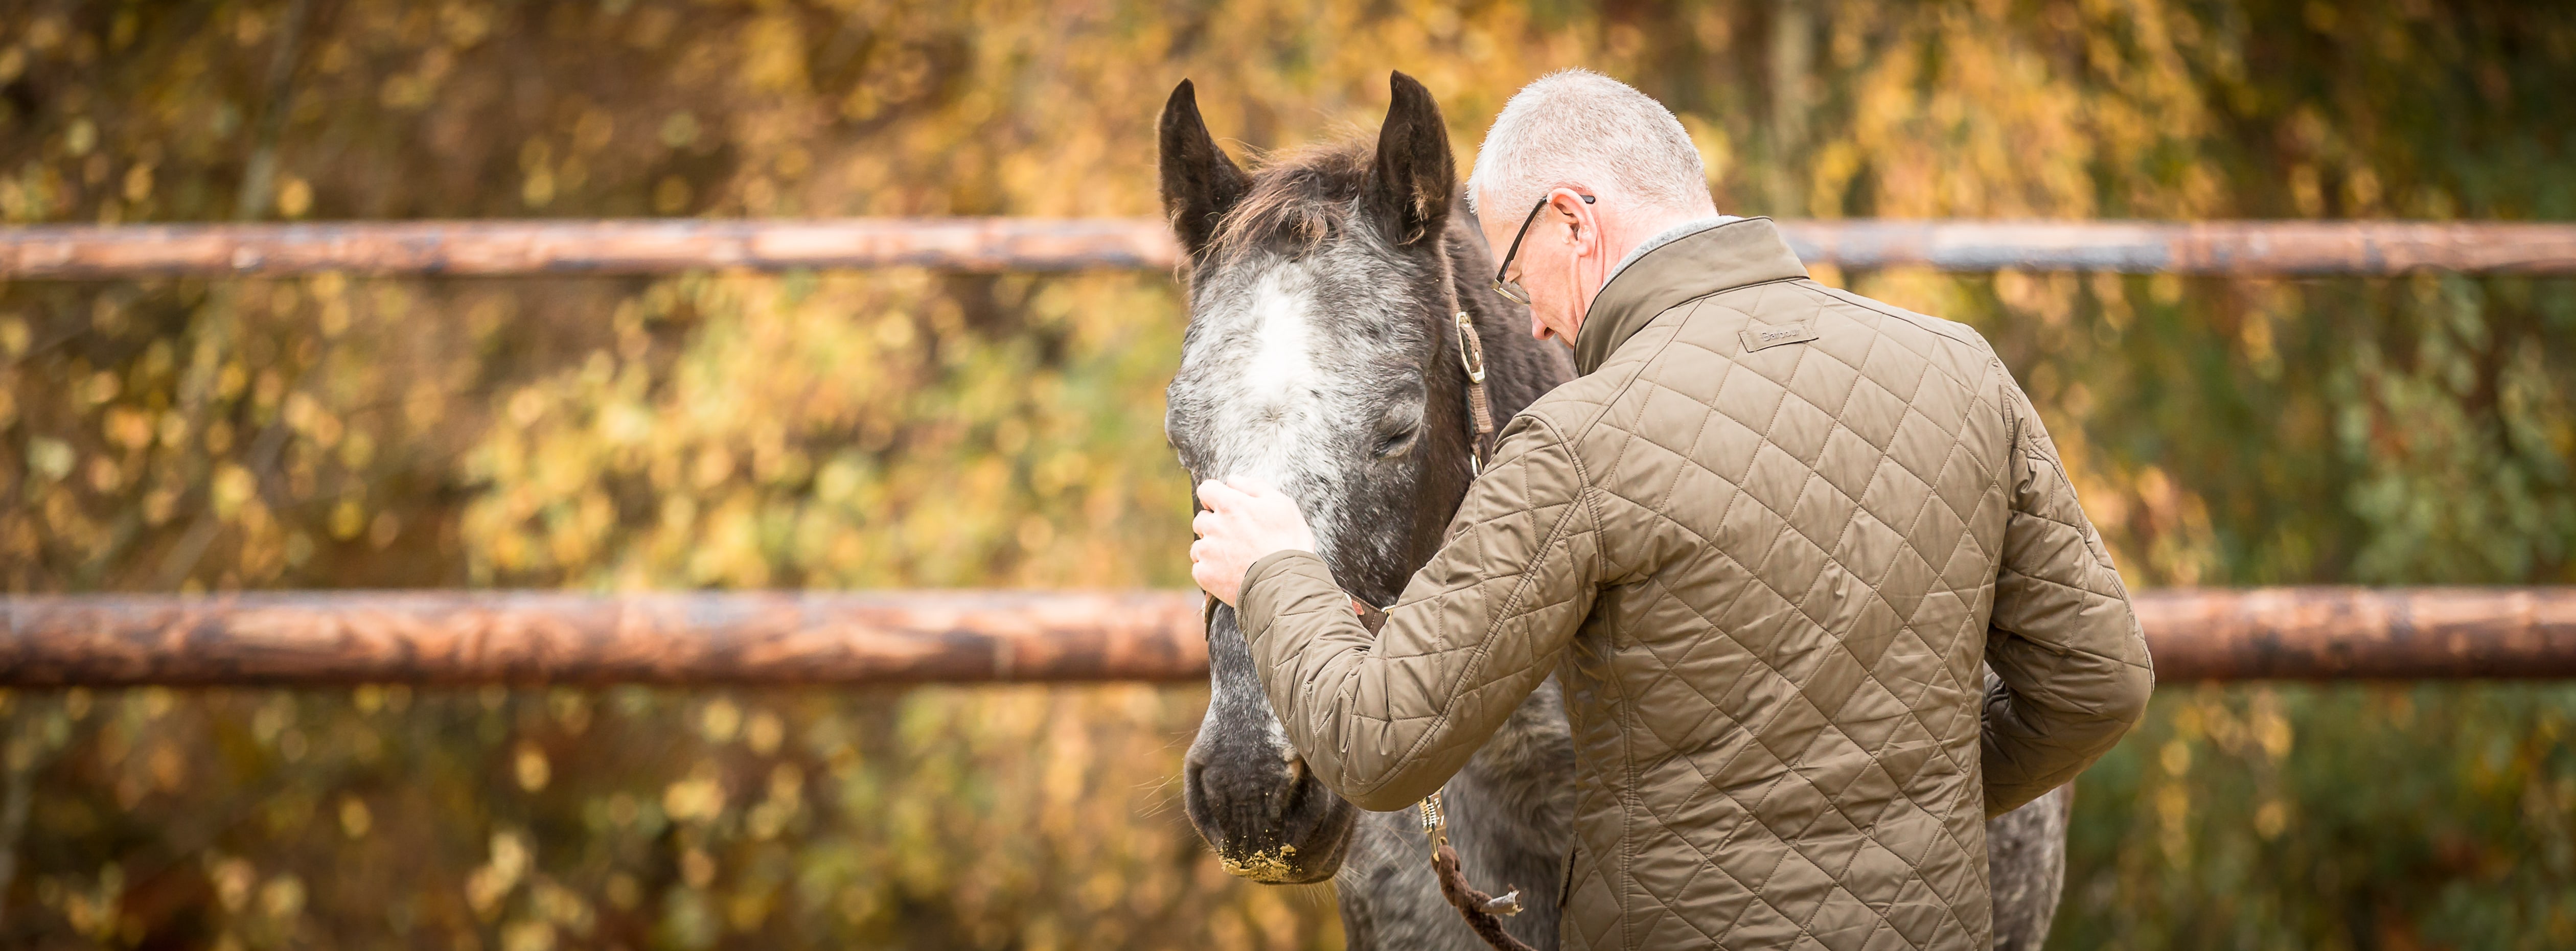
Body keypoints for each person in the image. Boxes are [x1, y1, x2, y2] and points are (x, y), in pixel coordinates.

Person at [1187, 69, 2153, 950]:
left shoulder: (1576, 442)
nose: (1528, 320)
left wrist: (1276, 573)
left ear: (1575, 221)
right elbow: (2102, 683)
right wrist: (1902, 806)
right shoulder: (1962, 368)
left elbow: (1382, 747)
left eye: (1517, 271)